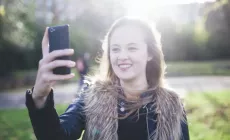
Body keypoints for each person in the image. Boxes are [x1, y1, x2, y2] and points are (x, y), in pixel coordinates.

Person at [25, 17, 190, 140]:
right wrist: (40, 96)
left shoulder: (173, 105)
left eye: (132, 48)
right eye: (115, 49)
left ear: (150, 54)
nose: (122, 56)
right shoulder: (91, 97)